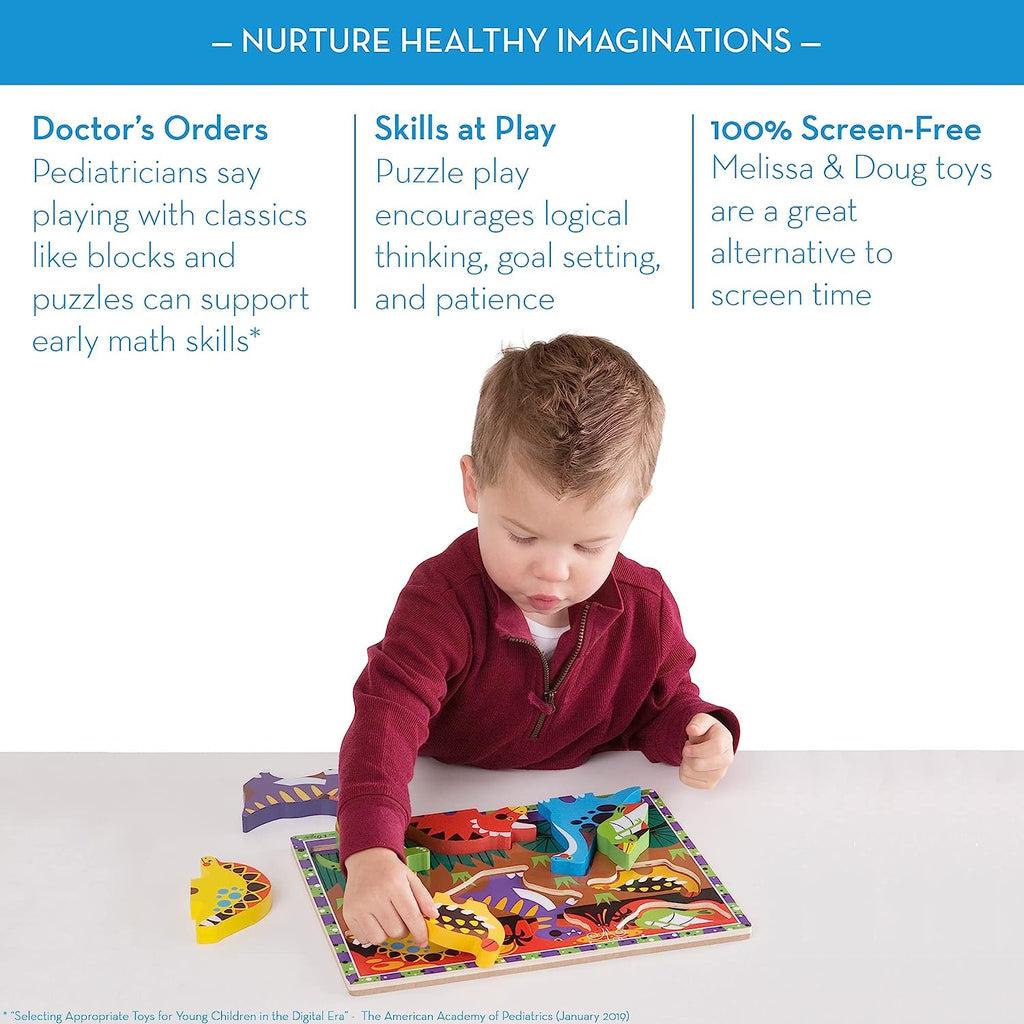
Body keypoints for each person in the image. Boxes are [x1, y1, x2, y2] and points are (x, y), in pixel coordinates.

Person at [337, 332, 740, 948]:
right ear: (473, 487)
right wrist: (370, 851)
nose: (554, 571)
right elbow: (385, 719)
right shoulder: (440, 599)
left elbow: (662, 704)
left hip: (579, 814)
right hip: (455, 794)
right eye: (522, 536)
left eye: (588, 546)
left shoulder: (645, 605)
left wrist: (700, 731)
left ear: (634, 510)